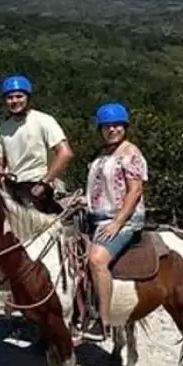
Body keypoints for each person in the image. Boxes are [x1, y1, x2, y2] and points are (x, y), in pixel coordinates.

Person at [77, 101, 147, 342]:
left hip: (123, 219)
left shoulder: (131, 154)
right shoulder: (102, 154)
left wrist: (118, 222)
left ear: (125, 127)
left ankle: (102, 322)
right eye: (107, 126)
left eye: (117, 126)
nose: (112, 130)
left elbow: (134, 191)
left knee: (97, 259)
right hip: (95, 216)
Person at [0, 73, 73, 196]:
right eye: (10, 97)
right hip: (12, 186)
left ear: (28, 98)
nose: (14, 101)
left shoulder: (44, 120)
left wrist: (44, 182)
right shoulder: (3, 129)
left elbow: (65, 153)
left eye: (19, 96)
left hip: (38, 183)